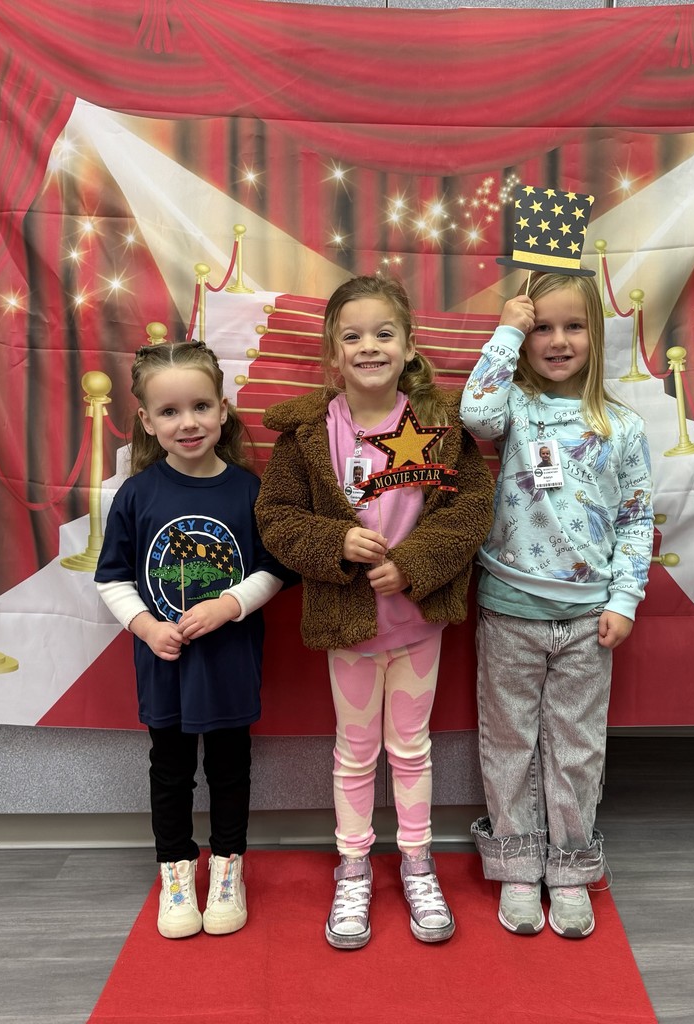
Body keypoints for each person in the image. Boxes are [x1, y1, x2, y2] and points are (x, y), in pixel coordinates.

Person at [255, 275, 494, 950]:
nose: (368, 347)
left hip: (417, 626)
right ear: (333, 354)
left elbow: (472, 509)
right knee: (355, 752)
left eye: (383, 333)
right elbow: (274, 518)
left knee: (410, 750)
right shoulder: (307, 434)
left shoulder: (440, 427)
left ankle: (416, 861)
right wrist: (334, 541)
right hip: (348, 628)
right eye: (352, 336)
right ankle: (354, 865)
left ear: (409, 345)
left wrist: (413, 563)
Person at [459, 272, 653, 939]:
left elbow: (634, 519)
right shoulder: (511, 406)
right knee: (508, 743)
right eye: (542, 326)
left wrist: (625, 598)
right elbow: (473, 415)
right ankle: (516, 864)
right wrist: (505, 331)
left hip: (585, 620)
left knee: (574, 749)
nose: (557, 340)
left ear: (595, 335)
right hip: (509, 610)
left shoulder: (620, 426)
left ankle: (569, 868)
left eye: (572, 326)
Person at [95, 340, 290, 940]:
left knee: (231, 769)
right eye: (171, 412)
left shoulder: (249, 490)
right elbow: (112, 578)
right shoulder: (137, 494)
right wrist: (148, 627)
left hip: (229, 664)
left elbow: (275, 568)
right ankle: (176, 871)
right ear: (148, 422)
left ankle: (228, 868)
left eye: (200, 406)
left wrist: (230, 603)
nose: (188, 423)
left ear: (223, 410)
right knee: (171, 770)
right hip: (166, 666)